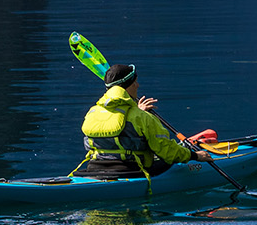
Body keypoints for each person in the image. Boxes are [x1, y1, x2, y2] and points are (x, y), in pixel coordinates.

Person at [76, 63, 209, 178]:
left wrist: (138, 110)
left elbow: (120, 121)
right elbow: (167, 150)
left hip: (94, 168)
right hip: (131, 170)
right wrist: (195, 156)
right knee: (173, 159)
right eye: (135, 82)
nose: (138, 85)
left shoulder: (92, 112)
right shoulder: (142, 117)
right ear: (128, 87)